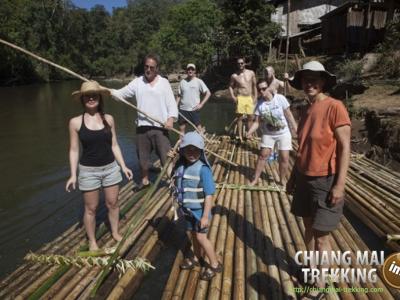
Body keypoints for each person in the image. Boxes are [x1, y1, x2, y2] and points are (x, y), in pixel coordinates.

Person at [286, 61, 351, 297]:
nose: (309, 83)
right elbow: (302, 149)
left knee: (322, 237)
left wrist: (340, 185)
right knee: (309, 230)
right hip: (304, 179)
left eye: (314, 79)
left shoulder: (335, 107)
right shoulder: (305, 110)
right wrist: (294, 176)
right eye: (305, 79)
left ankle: (319, 286)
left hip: (325, 180)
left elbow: (345, 148)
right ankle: (314, 270)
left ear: (323, 82)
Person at [65, 81, 133, 251]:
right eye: (87, 96)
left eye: (94, 95)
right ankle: (92, 241)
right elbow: (74, 150)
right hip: (88, 171)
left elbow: (114, 145)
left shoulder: (109, 119)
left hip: (110, 168)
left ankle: (115, 232)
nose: (91, 98)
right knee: (91, 209)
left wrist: (123, 166)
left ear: (99, 98)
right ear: (82, 99)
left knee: (113, 203)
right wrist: (73, 175)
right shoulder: (75, 122)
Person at [110, 54, 178, 189]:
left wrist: (170, 119)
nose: (148, 70)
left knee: (166, 156)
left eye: (152, 67)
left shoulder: (164, 83)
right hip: (142, 128)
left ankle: (173, 181)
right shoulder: (137, 82)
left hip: (160, 127)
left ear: (157, 69)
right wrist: (107, 91)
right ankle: (145, 180)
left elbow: (172, 105)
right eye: (146, 66)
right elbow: (121, 94)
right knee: (143, 158)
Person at [171, 131, 222, 281]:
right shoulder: (180, 164)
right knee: (192, 234)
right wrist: (171, 159)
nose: (192, 153)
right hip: (187, 210)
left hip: (200, 211)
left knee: (201, 237)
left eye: (195, 149)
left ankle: (214, 264)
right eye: (188, 149)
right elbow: (171, 176)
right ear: (183, 150)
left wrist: (206, 215)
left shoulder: (203, 169)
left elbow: (209, 195)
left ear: (201, 150)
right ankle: (197, 256)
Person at [247, 81, 297, 187]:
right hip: (268, 133)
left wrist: (295, 128)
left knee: (284, 157)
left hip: (283, 133)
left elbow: (289, 115)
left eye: (264, 88)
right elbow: (257, 122)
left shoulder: (280, 98)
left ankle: (282, 179)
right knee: (263, 155)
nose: (262, 91)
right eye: (259, 89)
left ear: (268, 88)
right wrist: (250, 131)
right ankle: (255, 179)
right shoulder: (260, 104)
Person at [177, 63, 211, 134]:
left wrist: (201, 104)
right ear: (186, 71)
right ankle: (181, 144)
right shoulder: (182, 82)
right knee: (181, 130)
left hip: (194, 110)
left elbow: (208, 93)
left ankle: (201, 143)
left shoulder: (199, 81)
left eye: (192, 69)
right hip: (183, 110)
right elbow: (179, 95)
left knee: (199, 129)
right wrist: (175, 106)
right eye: (189, 69)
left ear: (195, 71)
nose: (190, 71)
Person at [229, 57, 257, 142]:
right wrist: (233, 97)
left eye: (241, 63)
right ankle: (240, 136)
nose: (240, 65)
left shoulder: (251, 73)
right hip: (240, 98)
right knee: (240, 118)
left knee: (250, 117)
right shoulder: (234, 75)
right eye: (238, 63)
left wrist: (255, 97)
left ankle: (249, 135)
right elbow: (230, 86)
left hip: (249, 97)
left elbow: (254, 86)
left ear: (245, 63)